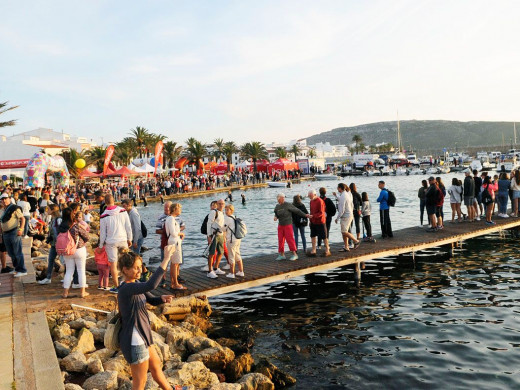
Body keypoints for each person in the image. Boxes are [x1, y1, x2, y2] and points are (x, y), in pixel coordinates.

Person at [117, 249, 174, 390]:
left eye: (140, 267)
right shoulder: (126, 288)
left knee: (156, 367)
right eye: (136, 268)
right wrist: (165, 259)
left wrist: (161, 298)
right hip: (135, 341)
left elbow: (151, 299)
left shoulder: (135, 285)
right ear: (125, 270)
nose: (140, 270)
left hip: (144, 337)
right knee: (140, 383)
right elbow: (151, 285)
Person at [99, 194, 133, 293]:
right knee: (126, 262)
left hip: (111, 242)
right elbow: (128, 226)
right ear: (114, 200)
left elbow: (103, 233)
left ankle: (117, 287)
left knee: (113, 264)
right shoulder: (123, 211)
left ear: (105, 203)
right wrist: (130, 238)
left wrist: (101, 245)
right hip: (122, 239)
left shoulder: (104, 216)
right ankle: (128, 283)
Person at [59, 207, 90, 298]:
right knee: (81, 271)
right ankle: (82, 292)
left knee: (69, 271)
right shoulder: (75, 225)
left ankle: (65, 293)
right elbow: (86, 236)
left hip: (67, 251)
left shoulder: (61, 227)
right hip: (79, 249)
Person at [274, 193, 309, 260]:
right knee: (280, 240)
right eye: (278, 198)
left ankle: (294, 254)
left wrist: (305, 215)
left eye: (280, 198)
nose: (278, 200)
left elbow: (297, 211)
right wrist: (275, 217)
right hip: (280, 225)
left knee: (290, 239)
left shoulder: (288, 205)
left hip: (288, 225)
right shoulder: (277, 206)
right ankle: (282, 254)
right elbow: (276, 214)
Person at [0, 193, 27, 276]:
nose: (4, 200)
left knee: (17, 252)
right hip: (5, 234)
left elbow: (22, 218)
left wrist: (21, 229)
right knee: (11, 253)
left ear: (9, 198)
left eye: (5, 198)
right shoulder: (3, 210)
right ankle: (16, 268)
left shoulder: (14, 208)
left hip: (14, 232)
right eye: (2, 199)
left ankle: (22, 270)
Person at [38, 204, 62, 284]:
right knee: (51, 259)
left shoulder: (58, 219)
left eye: (48, 209)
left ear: (52, 210)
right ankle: (48, 278)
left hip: (59, 243)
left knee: (65, 261)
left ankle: (71, 278)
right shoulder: (54, 219)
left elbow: (59, 232)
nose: (47, 211)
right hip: (54, 243)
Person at [164, 203, 186, 289]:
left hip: (174, 241)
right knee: (175, 263)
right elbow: (173, 233)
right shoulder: (171, 219)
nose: (180, 211)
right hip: (174, 241)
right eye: (179, 209)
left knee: (174, 263)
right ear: (175, 210)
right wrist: (181, 233)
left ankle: (173, 283)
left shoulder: (170, 219)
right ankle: (175, 284)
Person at [335, 183, 360, 251]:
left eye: (338, 187)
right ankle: (346, 246)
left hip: (345, 216)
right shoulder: (347, 194)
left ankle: (356, 241)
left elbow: (342, 209)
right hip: (349, 214)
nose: (337, 188)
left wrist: (337, 218)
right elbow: (351, 204)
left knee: (344, 232)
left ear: (340, 188)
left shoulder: (343, 195)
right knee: (344, 231)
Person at [223, 204, 245, 278]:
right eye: (225, 210)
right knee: (237, 254)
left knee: (231, 256)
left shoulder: (227, 219)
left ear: (231, 210)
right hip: (238, 239)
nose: (226, 211)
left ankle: (232, 273)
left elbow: (223, 228)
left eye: (227, 210)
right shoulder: (235, 217)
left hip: (232, 240)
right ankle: (241, 271)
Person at [206, 199, 226, 278]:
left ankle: (216, 267)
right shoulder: (214, 212)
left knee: (221, 252)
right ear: (217, 204)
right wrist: (209, 236)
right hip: (213, 235)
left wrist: (224, 236)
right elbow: (209, 224)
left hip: (220, 235)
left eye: (223, 204)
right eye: (220, 204)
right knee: (212, 253)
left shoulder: (222, 213)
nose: (221, 205)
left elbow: (222, 225)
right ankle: (210, 271)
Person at [307, 189, 330, 256]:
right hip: (313, 221)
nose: (310, 197)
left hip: (320, 221)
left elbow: (321, 213)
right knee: (313, 235)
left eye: (310, 196)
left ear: (314, 195)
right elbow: (311, 211)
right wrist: (310, 220)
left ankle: (327, 250)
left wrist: (313, 216)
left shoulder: (320, 201)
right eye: (309, 196)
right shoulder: (311, 201)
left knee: (324, 236)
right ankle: (313, 250)